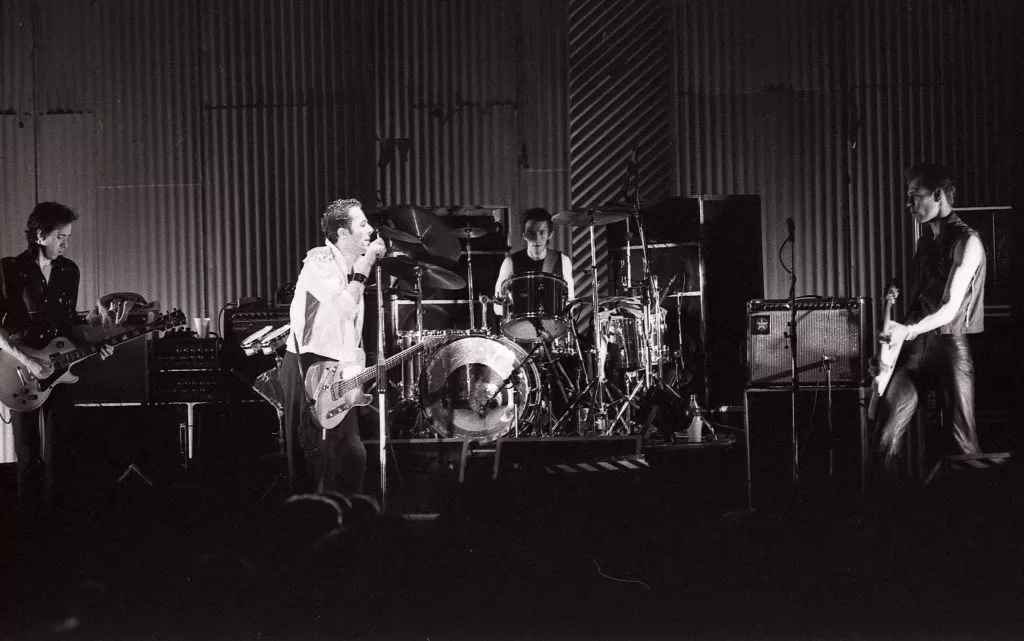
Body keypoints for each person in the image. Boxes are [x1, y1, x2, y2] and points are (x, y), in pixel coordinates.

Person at [0, 202, 114, 513]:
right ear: (40, 235)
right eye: (61, 236)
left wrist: (96, 343)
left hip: (60, 370)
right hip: (19, 370)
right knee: (27, 452)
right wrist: (29, 361)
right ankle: (28, 525)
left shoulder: (69, 271)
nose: (66, 243)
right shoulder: (9, 269)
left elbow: (67, 328)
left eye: (68, 236)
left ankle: (56, 525)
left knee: (60, 450)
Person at [874, 162, 986, 478]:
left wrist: (906, 331)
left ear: (938, 195)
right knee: (884, 437)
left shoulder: (968, 241)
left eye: (914, 196)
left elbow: (949, 308)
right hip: (916, 347)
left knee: (963, 446)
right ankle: (883, 519)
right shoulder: (925, 243)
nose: (909, 205)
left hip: (949, 345)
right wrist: (896, 297)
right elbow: (923, 297)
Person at [280, 198, 387, 495]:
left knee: (350, 455)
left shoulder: (353, 270)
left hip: (338, 371)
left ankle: (350, 519)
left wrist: (355, 381)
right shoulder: (319, 262)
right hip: (308, 364)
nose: (370, 230)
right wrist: (365, 266)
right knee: (312, 457)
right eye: (362, 224)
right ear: (342, 233)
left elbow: (349, 337)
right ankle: (309, 523)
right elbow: (344, 309)